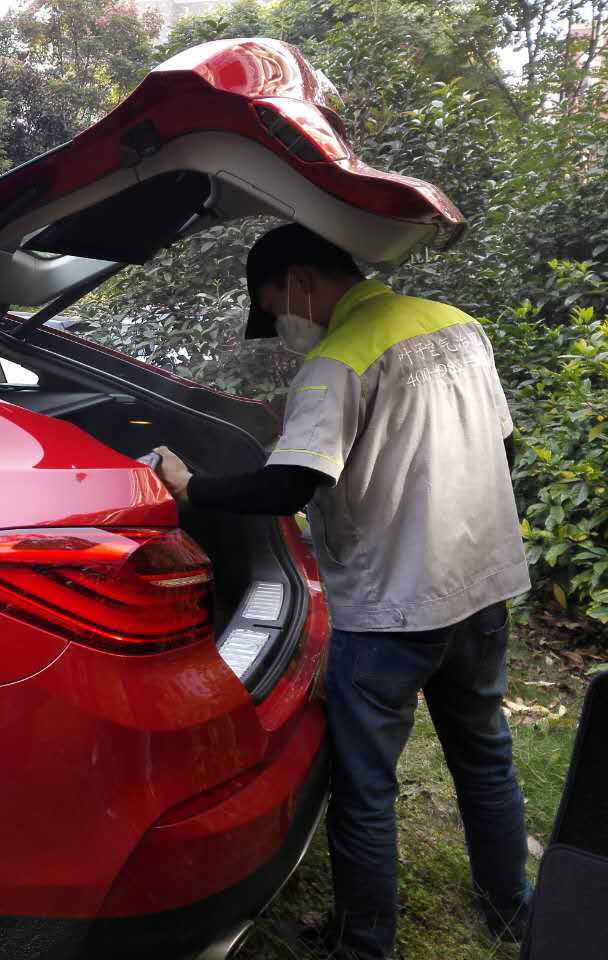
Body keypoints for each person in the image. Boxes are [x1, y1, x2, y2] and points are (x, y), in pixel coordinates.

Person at [151, 223, 532, 960]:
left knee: (366, 785)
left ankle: (364, 945)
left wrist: (191, 485)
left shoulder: (335, 363)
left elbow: (291, 483)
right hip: (482, 585)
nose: (282, 326)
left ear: (298, 281)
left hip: (395, 609)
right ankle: (510, 908)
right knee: (486, 753)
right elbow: (502, 442)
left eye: (273, 307)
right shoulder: (459, 327)